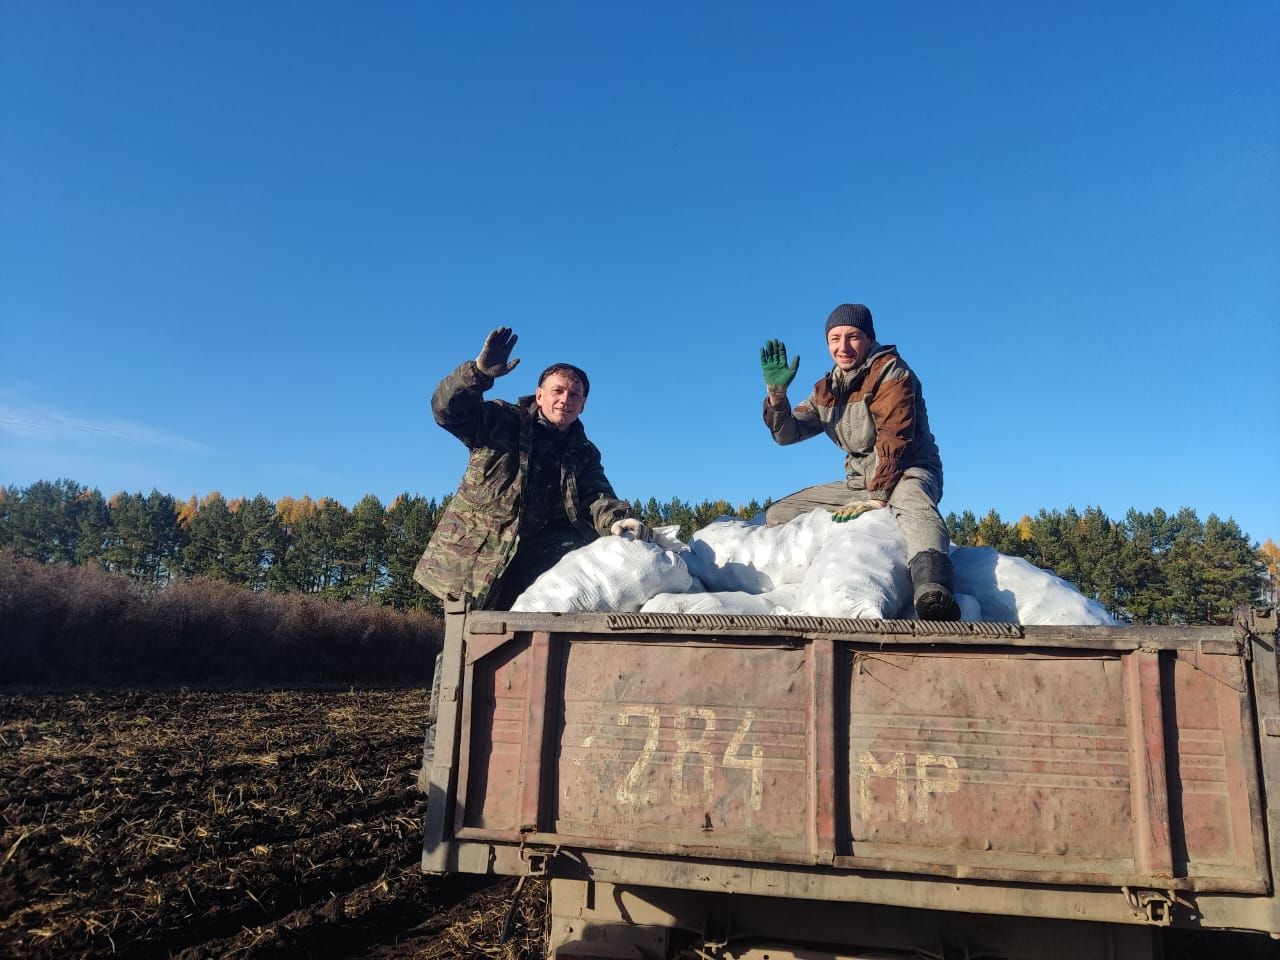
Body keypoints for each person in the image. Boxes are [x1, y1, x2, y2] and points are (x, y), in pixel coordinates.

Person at [414, 327, 649, 611]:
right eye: (558, 391)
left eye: (575, 395)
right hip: (479, 557)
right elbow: (447, 411)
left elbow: (596, 496)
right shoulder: (501, 421)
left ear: (583, 405)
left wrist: (617, 520)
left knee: (524, 641)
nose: (565, 399)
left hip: (537, 569)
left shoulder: (583, 452)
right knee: (462, 644)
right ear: (539, 396)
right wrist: (478, 374)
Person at [759, 303, 961, 621]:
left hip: (907, 471)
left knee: (912, 501)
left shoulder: (891, 372)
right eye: (834, 338)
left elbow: (894, 439)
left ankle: (932, 587)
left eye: (852, 337)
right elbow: (788, 434)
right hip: (860, 482)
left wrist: (879, 498)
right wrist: (777, 397)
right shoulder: (826, 390)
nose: (843, 347)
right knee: (779, 512)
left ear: (868, 338)